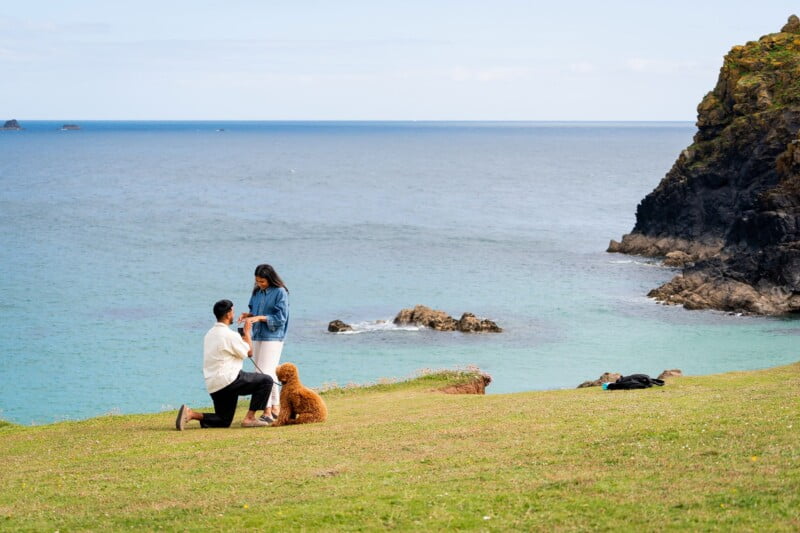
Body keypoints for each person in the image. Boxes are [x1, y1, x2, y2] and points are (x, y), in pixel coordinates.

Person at [175, 299, 274, 430]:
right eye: (233, 311)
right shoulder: (229, 335)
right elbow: (249, 352)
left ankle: (191, 414)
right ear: (228, 314)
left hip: (214, 385)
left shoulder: (209, 334)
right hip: (229, 381)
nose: (234, 314)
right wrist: (247, 333)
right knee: (266, 380)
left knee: (223, 420)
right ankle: (250, 418)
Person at [238, 264, 289, 423]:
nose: (259, 284)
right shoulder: (257, 292)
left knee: (264, 374)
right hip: (258, 334)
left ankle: (267, 410)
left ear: (270, 279)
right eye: (257, 281)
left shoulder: (280, 292)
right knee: (263, 371)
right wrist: (249, 315)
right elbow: (256, 312)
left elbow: (281, 318)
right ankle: (275, 407)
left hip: (273, 336)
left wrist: (259, 318)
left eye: (262, 282)